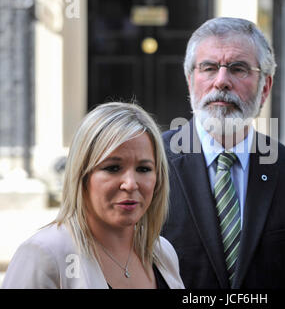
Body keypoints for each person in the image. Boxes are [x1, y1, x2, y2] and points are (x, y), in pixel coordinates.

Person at [161, 17, 285, 288]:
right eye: (209, 68)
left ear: (265, 88)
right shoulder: (152, 163)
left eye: (238, 69)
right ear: (191, 82)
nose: (222, 82)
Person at [2, 102, 184, 289]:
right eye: (113, 168)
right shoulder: (43, 255)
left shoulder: (163, 253)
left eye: (144, 169)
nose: (130, 184)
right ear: (81, 175)